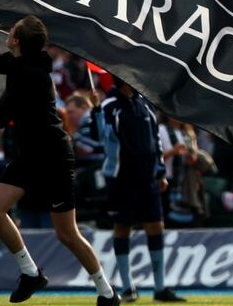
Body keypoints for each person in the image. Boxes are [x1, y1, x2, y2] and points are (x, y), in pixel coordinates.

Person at [0, 9, 119, 305]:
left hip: (53, 156)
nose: (8, 31)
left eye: (13, 29)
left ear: (17, 40)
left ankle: (107, 292)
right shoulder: (18, 63)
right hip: (32, 154)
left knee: (67, 234)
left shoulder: (29, 74)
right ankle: (30, 272)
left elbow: (0, 116)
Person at [100, 79, 185, 303]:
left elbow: (156, 140)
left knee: (156, 226)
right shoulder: (109, 106)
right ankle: (127, 286)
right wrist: (95, 114)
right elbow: (103, 137)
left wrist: (160, 172)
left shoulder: (145, 105)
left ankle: (160, 287)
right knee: (122, 227)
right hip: (122, 179)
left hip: (148, 179)